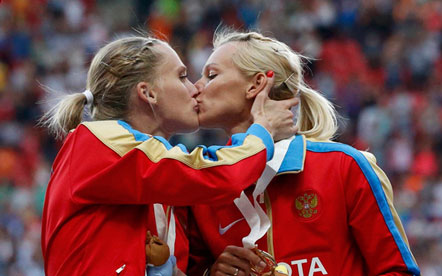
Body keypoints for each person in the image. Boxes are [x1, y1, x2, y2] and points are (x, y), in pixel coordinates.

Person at [39, 35, 298, 276]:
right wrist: (262, 130)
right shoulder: (97, 144)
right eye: (182, 76)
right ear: (148, 93)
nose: (195, 88)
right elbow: (217, 174)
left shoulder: (157, 169)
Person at [188, 30, 421, 276]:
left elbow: (396, 271)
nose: (195, 88)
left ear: (256, 85)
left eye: (211, 75)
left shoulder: (344, 167)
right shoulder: (204, 185)